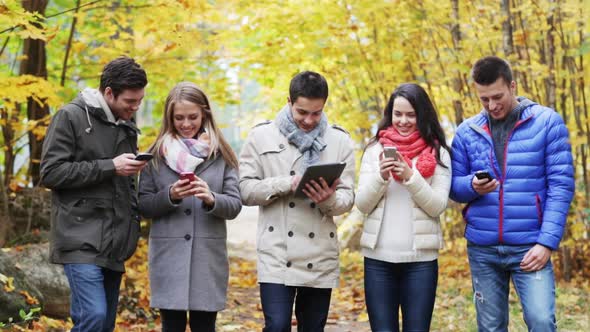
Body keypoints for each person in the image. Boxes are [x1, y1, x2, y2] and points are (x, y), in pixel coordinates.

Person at [450, 56, 575, 331]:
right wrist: (472, 185)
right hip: (483, 248)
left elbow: (561, 186)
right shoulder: (465, 132)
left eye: (497, 96)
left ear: (512, 86)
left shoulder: (548, 123)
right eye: (484, 99)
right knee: (491, 327)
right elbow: (454, 188)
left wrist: (546, 243)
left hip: (531, 245)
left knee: (541, 322)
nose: (492, 105)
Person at [239, 71, 355, 331]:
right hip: (277, 251)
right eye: (302, 112)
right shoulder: (261, 136)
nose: (309, 120)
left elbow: (348, 199)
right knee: (277, 325)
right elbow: (244, 190)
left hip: (320, 253)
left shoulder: (339, 140)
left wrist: (329, 199)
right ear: (289, 101)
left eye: (316, 113)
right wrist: (285, 184)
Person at [40, 56, 148, 332]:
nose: (135, 107)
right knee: (94, 318)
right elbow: (51, 173)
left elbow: (128, 183)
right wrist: (110, 166)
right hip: (79, 239)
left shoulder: (127, 122)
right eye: (130, 102)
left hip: (115, 242)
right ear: (109, 92)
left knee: (104, 325)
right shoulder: (70, 116)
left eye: (139, 101)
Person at [138, 82, 242, 331]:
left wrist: (212, 198)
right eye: (179, 118)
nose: (186, 124)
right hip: (168, 257)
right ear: (169, 118)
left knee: (204, 327)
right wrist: (170, 196)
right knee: (171, 326)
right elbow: (142, 205)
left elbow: (235, 204)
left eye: (193, 117)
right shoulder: (156, 155)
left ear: (205, 114)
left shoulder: (222, 155)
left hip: (207, 258)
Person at [355, 83, 451, 331]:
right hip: (378, 261)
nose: (404, 120)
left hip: (421, 262)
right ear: (390, 114)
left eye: (411, 114)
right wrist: (380, 177)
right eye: (398, 114)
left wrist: (411, 177)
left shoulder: (438, 153)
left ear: (422, 114)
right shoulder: (375, 150)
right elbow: (362, 205)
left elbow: (437, 206)